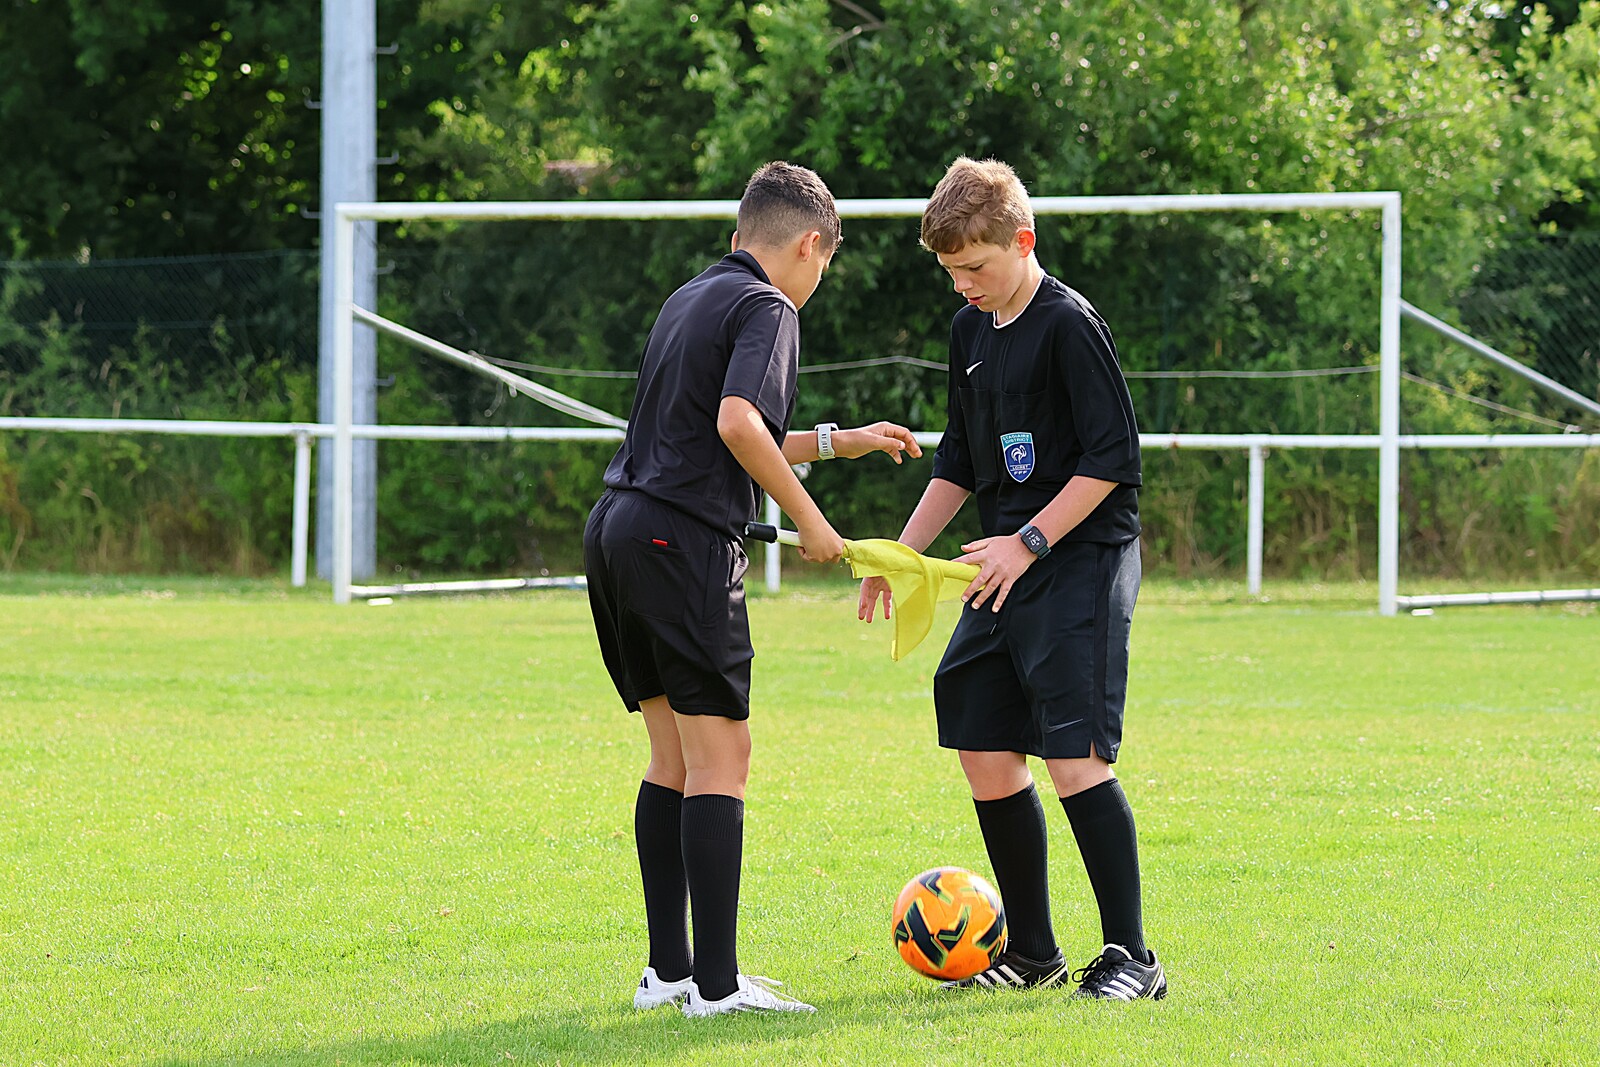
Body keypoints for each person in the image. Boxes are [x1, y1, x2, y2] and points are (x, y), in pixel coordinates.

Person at [585, 161, 923, 1018]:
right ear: (809, 245)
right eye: (825, 264)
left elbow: (722, 428)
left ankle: (669, 973)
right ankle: (717, 986)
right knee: (722, 761)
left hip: (618, 532)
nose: (817, 280)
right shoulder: (771, 307)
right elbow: (738, 423)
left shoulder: (691, 296)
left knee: (673, 758)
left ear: (741, 233)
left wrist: (840, 441)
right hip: (678, 545)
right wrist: (812, 520)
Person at [859, 157, 1165, 1001]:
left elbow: (1113, 460)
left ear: (1022, 242)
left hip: (1080, 558)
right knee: (983, 742)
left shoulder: (1070, 324)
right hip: (1004, 561)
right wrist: (902, 554)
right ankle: (1032, 953)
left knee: (1073, 754)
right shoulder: (970, 332)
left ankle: (1133, 957)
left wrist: (1026, 542)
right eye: (951, 272)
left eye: (975, 267)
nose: (963, 285)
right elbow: (960, 459)